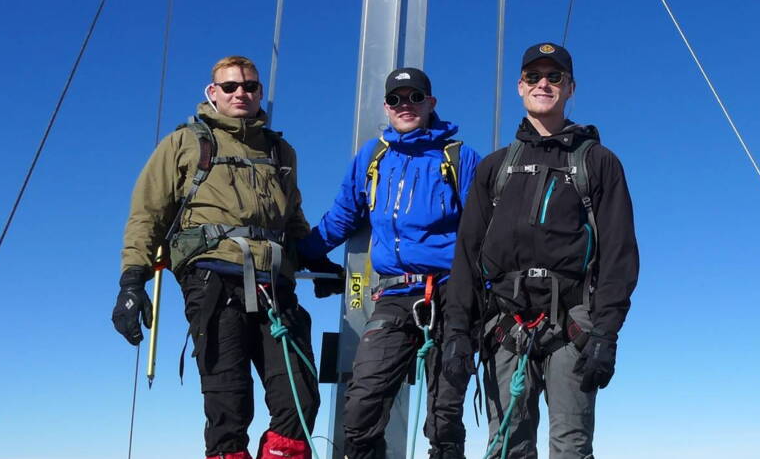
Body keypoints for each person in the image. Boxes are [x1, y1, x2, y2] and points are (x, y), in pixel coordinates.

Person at [112, 55, 340, 459]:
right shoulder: (185, 143)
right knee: (228, 405)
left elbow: (293, 218)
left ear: (260, 94)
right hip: (212, 281)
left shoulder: (280, 150)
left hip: (274, 283)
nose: (241, 93)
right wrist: (132, 281)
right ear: (212, 93)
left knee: (299, 399)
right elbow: (147, 214)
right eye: (231, 86)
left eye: (250, 86)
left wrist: (315, 260)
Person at [442, 42, 639, 459]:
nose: (543, 84)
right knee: (507, 446)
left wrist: (607, 332)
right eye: (534, 76)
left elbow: (619, 254)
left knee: (570, 448)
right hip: (504, 326)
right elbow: (467, 254)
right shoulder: (494, 168)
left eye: (555, 77)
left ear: (570, 88)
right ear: (520, 86)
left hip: (574, 325)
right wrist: (458, 330)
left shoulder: (599, 163)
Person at [296, 67, 482, 459]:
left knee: (444, 415)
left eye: (415, 97)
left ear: (431, 103)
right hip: (396, 293)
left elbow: (485, 229)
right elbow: (343, 216)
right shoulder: (373, 157)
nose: (405, 105)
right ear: (387, 107)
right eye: (396, 99)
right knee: (362, 404)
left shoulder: (459, 158)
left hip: (451, 291)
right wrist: (302, 253)